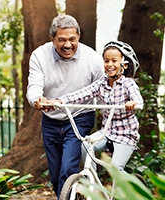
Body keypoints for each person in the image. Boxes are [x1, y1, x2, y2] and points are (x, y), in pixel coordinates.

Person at [26, 14, 105, 197]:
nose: (67, 45)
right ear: (52, 38)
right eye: (61, 40)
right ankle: (73, 194)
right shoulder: (39, 55)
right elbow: (34, 86)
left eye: (72, 39)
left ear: (78, 35)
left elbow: (104, 89)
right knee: (55, 177)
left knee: (68, 168)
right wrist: (38, 99)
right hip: (51, 119)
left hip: (80, 116)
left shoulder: (92, 58)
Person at [49, 40, 143, 173]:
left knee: (116, 168)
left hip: (125, 135)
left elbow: (138, 99)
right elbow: (82, 93)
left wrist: (133, 103)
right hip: (107, 132)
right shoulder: (101, 84)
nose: (109, 64)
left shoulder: (128, 84)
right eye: (106, 61)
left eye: (114, 61)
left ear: (125, 65)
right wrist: (59, 101)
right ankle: (92, 184)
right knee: (86, 145)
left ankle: (134, 191)